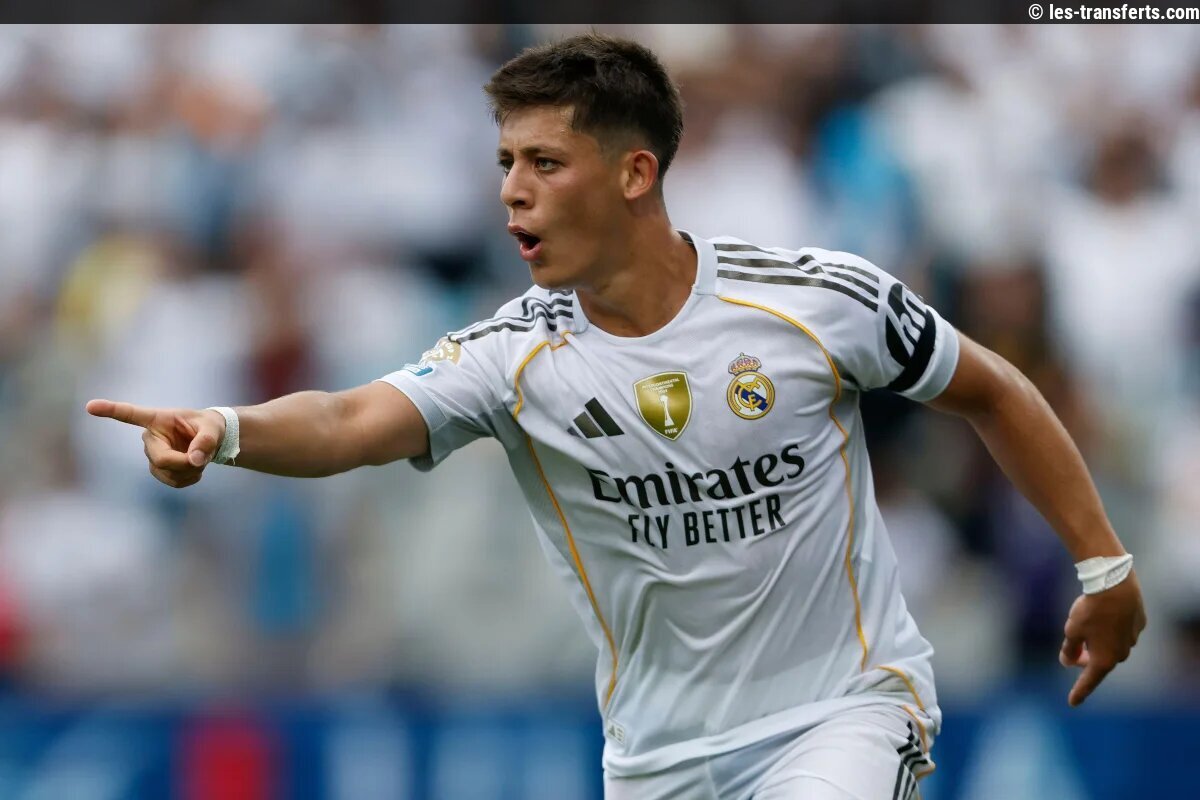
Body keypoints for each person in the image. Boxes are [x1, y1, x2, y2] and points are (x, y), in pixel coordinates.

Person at [87, 33, 1146, 800]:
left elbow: (992, 388)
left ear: (636, 172)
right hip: (656, 759)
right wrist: (226, 429)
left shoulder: (815, 300)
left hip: (844, 712)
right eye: (505, 163)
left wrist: (1103, 565)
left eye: (544, 163)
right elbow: (351, 417)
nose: (513, 192)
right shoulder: (514, 355)